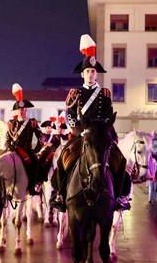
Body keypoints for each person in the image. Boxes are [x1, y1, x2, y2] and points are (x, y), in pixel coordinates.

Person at [50, 34, 130, 211]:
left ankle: (120, 196)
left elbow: (109, 117)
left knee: (120, 160)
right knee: (63, 158)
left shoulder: (105, 94)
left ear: (96, 74)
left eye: (93, 71)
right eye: (88, 71)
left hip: (100, 135)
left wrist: (109, 133)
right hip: (81, 135)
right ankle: (61, 195)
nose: (91, 75)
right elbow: (70, 116)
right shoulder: (75, 94)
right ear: (82, 74)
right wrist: (80, 131)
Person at [5, 84, 43, 195]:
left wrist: (37, 149)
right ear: (16, 110)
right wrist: (8, 146)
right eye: (19, 109)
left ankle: (31, 186)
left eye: (23, 109)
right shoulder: (12, 123)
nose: (21, 111)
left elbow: (40, 136)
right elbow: (7, 138)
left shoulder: (32, 122)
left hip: (26, 149)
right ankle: (5, 188)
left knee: (35, 163)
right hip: (13, 148)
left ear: (26, 110)